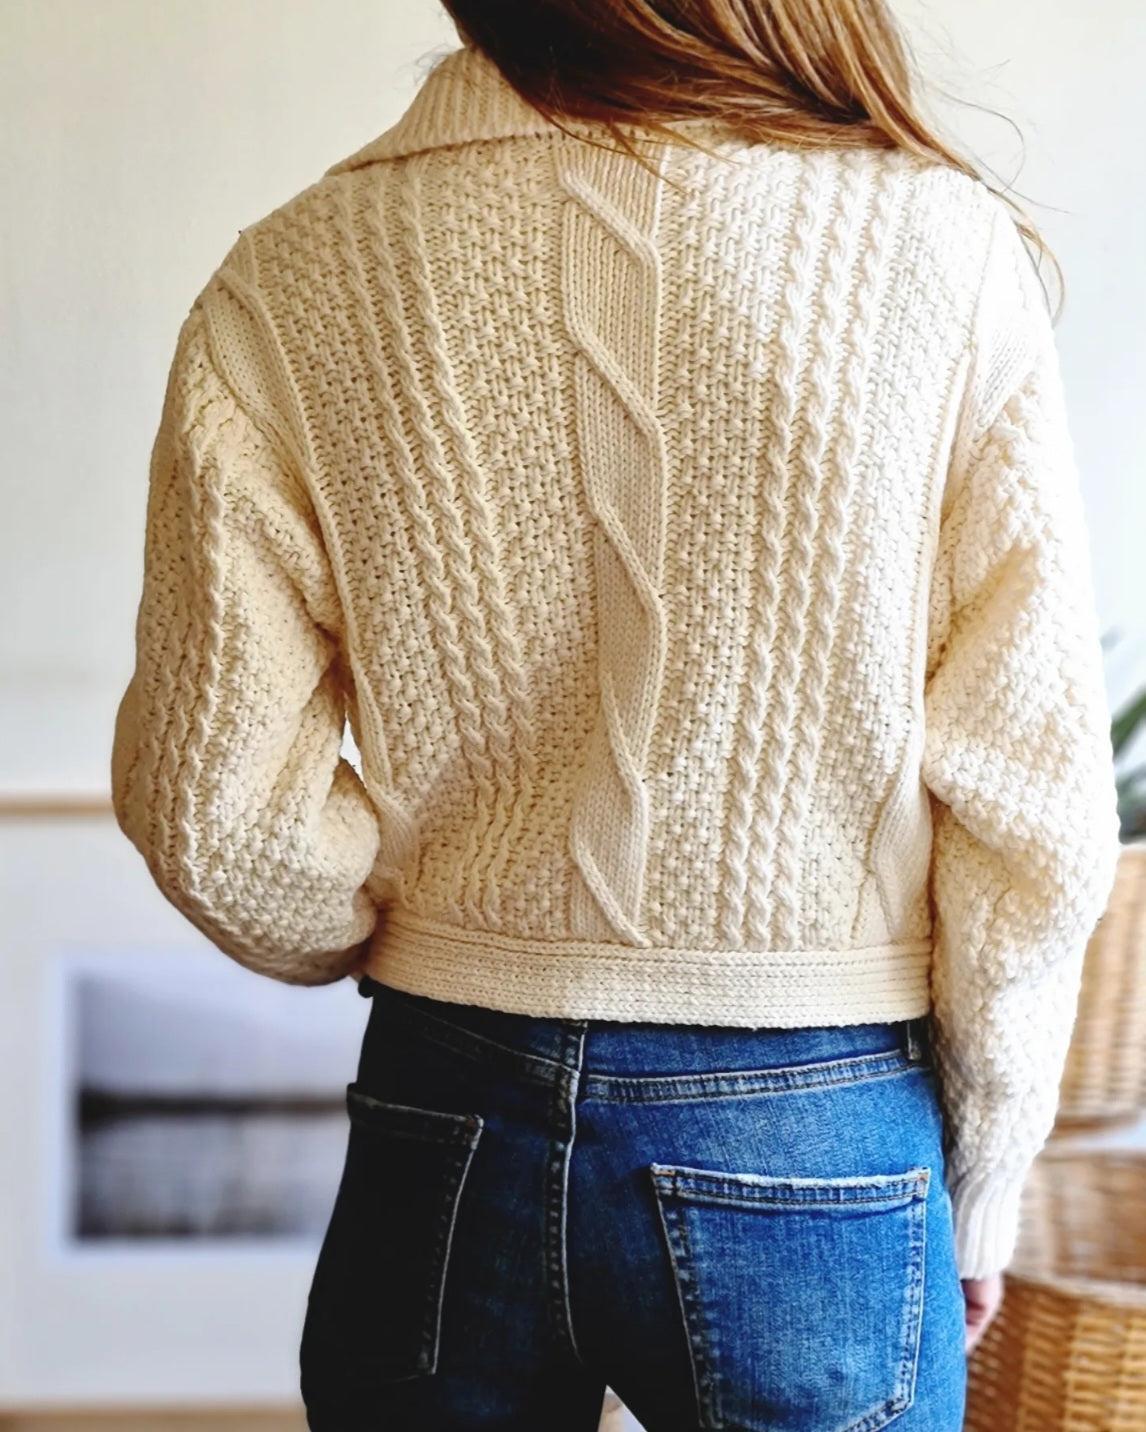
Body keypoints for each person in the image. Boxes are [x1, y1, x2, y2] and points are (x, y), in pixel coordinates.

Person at [109, 1, 1121, 1428]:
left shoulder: (290, 275)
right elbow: (1032, 799)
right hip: (813, 1109)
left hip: (447, 1091)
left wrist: (428, 918)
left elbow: (210, 810)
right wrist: (988, 1168)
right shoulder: (941, 251)